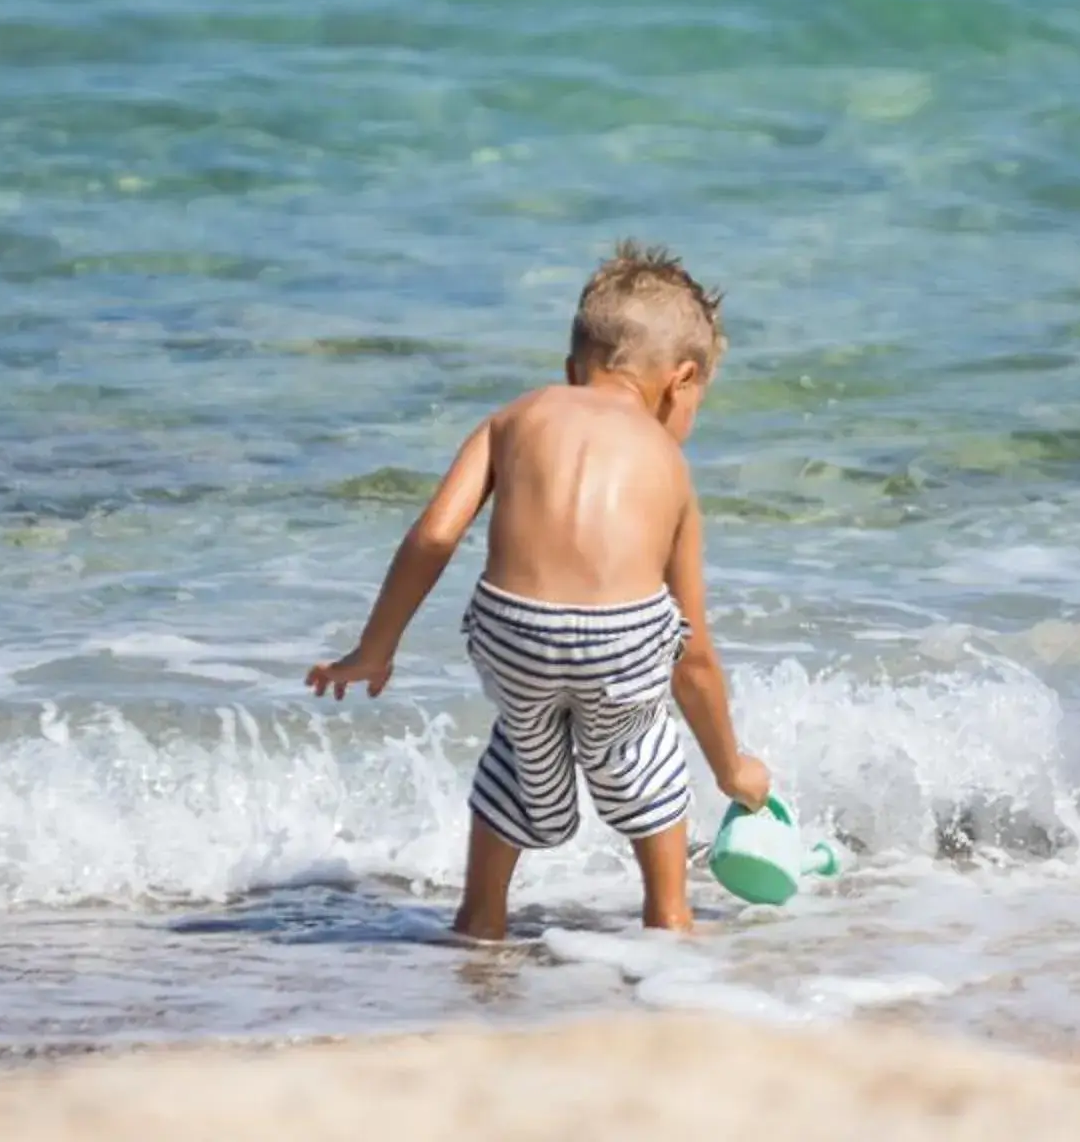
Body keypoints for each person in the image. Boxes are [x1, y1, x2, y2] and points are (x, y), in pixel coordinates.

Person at [307, 242, 773, 937]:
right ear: (680, 383)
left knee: (522, 747)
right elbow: (693, 652)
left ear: (571, 370)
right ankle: (669, 916)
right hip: (620, 640)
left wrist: (374, 650)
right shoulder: (668, 467)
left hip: (512, 632)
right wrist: (730, 767)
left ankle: (481, 916)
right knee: (642, 748)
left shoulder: (513, 418)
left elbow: (435, 537)